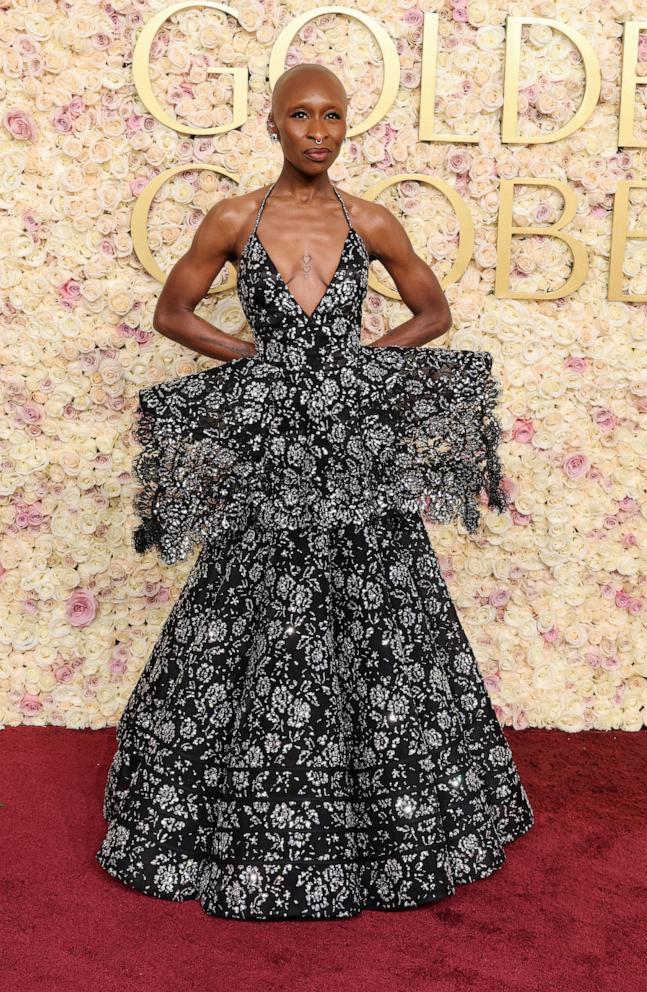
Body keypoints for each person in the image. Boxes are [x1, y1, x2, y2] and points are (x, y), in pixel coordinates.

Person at [96, 63, 534, 920]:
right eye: (300, 114)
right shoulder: (233, 218)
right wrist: (258, 365)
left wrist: (360, 370)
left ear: (345, 128)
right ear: (273, 126)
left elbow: (433, 313)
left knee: (382, 610)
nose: (318, 131)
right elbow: (173, 313)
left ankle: (390, 815)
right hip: (273, 449)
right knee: (249, 598)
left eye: (332, 116)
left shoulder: (371, 219)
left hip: (349, 450)